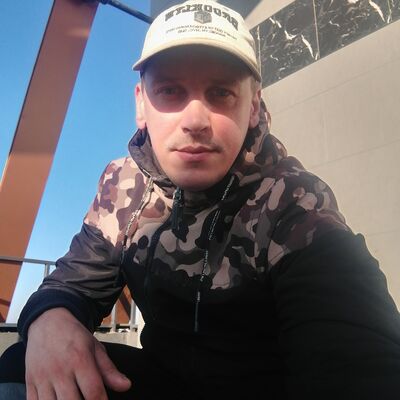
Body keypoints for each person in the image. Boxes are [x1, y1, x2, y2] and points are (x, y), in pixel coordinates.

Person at [1, 0, 400, 398]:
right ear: (141, 103)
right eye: (170, 91)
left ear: (253, 107)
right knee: (20, 368)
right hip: (164, 381)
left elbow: (358, 357)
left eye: (221, 93)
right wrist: (52, 315)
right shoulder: (123, 185)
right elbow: (76, 280)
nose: (195, 121)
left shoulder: (294, 202)